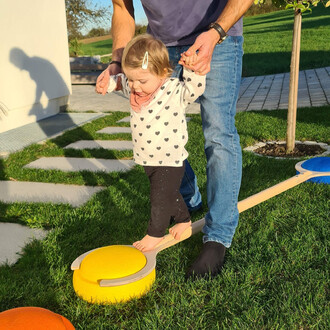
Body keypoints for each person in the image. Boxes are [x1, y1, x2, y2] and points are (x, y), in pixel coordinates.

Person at [96, 0, 254, 278]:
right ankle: (189, 200)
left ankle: (217, 235)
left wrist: (216, 30)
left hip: (218, 35)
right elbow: (122, 8)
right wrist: (116, 62)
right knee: (163, 134)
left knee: (218, 134)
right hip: (159, 49)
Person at [105, 34, 206, 252]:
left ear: (161, 73)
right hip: (148, 157)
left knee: (159, 196)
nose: (135, 86)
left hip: (169, 156)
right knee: (168, 192)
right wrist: (108, 82)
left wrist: (192, 69)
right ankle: (183, 219)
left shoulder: (173, 90)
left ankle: (155, 232)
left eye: (141, 81)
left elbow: (194, 89)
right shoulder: (134, 88)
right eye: (132, 79)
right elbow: (120, 82)